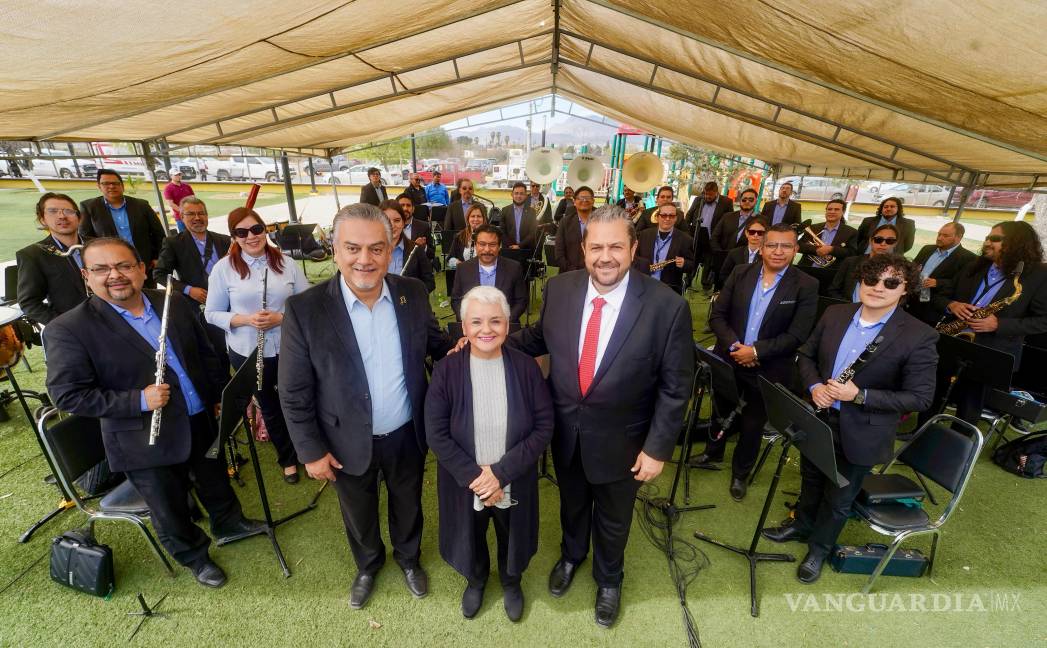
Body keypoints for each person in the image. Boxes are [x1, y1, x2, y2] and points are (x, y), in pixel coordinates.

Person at [510, 205, 693, 628]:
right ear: (583, 248)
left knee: (613, 518)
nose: (605, 257)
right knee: (572, 504)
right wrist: (486, 339)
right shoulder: (560, 289)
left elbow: (675, 386)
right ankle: (572, 556)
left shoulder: (667, 306)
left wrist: (657, 448)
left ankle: (609, 579)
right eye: (596, 247)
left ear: (633, 248)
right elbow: (538, 337)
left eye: (615, 246)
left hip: (624, 444)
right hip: (566, 434)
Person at [44, 237, 265, 588]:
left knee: (214, 477)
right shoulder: (68, 329)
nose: (114, 275)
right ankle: (195, 556)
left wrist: (215, 395)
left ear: (142, 268)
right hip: (141, 438)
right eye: (101, 269)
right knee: (169, 504)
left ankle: (229, 524)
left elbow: (204, 353)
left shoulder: (170, 302)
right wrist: (139, 400)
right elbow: (68, 395)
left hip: (198, 416)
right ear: (87, 276)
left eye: (123, 265)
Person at [279, 203, 452, 610]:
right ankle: (368, 565)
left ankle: (409, 559)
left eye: (377, 249)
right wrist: (310, 451)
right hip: (343, 440)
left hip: (407, 432)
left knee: (407, 502)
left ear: (391, 248)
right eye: (352, 248)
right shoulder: (305, 310)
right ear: (333, 250)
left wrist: (467, 345)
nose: (364, 259)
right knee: (358, 511)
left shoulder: (412, 292)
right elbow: (294, 391)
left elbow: (435, 344)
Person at [761, 254, 938, 584]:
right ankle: (801, 524)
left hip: (862, 431)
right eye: (871, 279)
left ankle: (819, 548)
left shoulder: (919, 335)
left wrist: (859, 395)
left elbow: (920, 397)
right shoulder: (836, 313)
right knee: (811, 478)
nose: (878, 288)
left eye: (890, 283)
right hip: (819, 416)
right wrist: (814, 386)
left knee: (839, 497)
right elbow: (807, 355)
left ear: (905, 289)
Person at [426, 286, 554, 621]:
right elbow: (436, 433)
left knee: (512, 532)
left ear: (507, 326)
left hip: (512, 476)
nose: (486, 329)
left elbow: (543, 426)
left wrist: (500, 474)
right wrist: (477, 477)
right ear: (463, 327)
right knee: (470, 532)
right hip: (464, 480)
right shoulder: (446, 371)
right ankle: (477, 579)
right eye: (477, 322)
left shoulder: (527, 368)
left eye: (495, 321)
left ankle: (512, 581)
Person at [690, 224, 818, 499]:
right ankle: (712, 453)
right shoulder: (740, 273)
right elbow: (718, 316)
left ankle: (740, 473)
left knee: (752, 424)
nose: (778, 251)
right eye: (772, 245)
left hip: (769, 369)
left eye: (786, 246)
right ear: (761, 248)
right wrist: (736, 347)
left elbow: (798, 334)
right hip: (731, 358)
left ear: (796, 250)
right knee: (720, 411)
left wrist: (756, 351)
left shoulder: (806, 285)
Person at [205, 208, 309, 484]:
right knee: (270, 405)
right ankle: (288, 458)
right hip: (248, 350)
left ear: (265, 230)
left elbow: (308, 302)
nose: (251, 236)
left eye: (256, 229)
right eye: (241, 232)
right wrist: (245, 320)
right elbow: (211, 313)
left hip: (288, 346)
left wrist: (282, 318)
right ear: (234, 237)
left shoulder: (286, 262)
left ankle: (308, 449)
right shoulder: (223, 270)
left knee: (298, 399)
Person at [928, 221, 1047, 425]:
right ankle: (921, 432)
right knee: (935, 391)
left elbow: (1043, 321)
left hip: (991, 350)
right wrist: (952, 305)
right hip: (953, 339)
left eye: (995, 239)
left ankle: (959, 446)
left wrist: (998, 324)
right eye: (987, 238)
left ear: (1017, 243)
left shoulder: (1038, 276)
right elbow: (939, 296)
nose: (987, 242)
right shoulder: (974, 266)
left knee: (970, 403)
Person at [79, 169, 166, 282]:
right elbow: (86, 237)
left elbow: (158, 233)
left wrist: (157, 257)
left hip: (143, 262)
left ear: (122, 186)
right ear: (99, 186)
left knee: (148, 293)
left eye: (115, 183)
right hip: (110, 265)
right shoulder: (89, 207)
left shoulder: (141, 205)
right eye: (106, 183)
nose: (111, 186)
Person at [16, 192, 88, 326]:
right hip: (75, 329)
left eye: (68, 211)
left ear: (79, 217)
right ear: (42, 219)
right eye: (52, 211)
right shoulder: (32, 254)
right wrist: (65, 325)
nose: (62, 216)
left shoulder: (100, 245)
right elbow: (29, 303)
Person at [154, 197, 230, 306]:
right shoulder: (174, 243)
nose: (197, 218)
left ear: (207, 216)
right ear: (181, 217)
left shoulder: (225, 240)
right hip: (199, 304)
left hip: (228, 298)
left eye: (201, 213)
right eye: (190, 214)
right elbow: (159, 274)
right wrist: (189, 290)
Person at [450, 225, 528, 322]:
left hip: (505, 327)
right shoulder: (463, 269)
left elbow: (521, 301)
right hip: (473, 327)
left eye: (492, 244)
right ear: (476, 245)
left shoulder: (514, 268)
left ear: (499, 246)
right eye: (482, 244)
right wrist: (470, 321)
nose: (487, 249)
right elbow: (456, 300)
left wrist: (504, 321)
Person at [908, 222, 977, 325]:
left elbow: (962, 285)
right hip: (911, 299)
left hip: (933, 308)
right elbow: (913, 267)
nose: (939, 238)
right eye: (939, 234)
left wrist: (938, 283)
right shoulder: (927, 249)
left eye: (945, 235)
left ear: (959, 237)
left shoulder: (968, 258)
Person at [796, 198, 860, 294]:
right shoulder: (813, 228)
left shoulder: (851, 232)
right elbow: (799, 246)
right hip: (807, 269)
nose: (832, 212)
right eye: (829, 209)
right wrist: (816, 250)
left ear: (843, 212)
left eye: (836, 209)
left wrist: (832, 249)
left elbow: (852, 253)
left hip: (831, 273)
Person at [634, 203, 695, 294]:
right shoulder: (644, 235)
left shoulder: (686, 239)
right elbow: (635, 258)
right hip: (644, 285)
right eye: (664, 215)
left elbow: (692, 265)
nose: (667, 218)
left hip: (669, 289)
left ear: (675, 218)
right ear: (657, 217)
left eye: (671, 216)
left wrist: (684, 264)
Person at [828, 224, 899, 301]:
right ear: (870, 240)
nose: (883, 244)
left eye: (890, 241)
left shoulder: (898, 269)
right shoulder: (851, 262)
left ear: (895, 244)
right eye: (878, 239)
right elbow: (833, 290)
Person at [684, 181, 733, 290]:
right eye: (705, 194)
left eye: (710, 195)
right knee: (693, 259)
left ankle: (706, 283)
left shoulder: (726, 202)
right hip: (697, 236)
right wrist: (688, 231)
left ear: (716, 192)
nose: (707, 197)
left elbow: (730, 220)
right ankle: (688, 281)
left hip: (713, 239)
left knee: (709, 262)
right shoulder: (698, 200)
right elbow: (689, 215)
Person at [381, 199, 435, 293]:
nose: (392, 225)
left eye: (397, 220)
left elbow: (430, 283)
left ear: (403, 222)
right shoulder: (371, 251)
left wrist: (412, 296)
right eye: (386, 220)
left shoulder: (416, 249)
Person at [709, 188, 759, 288]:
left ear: (756, 201)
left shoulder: (761, 220)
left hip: (745, 264)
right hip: (723, 261)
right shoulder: (727, 216)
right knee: (720, 291)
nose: (747, 202)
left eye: (751, 199)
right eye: (744, 199)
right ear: (740, 200)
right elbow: (714, 237)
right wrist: (719, 254)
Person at [715, 216, 766, 292]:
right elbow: (724, 275)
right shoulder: (734, 253)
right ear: (746, 233)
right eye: (752, 232)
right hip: (735, 291)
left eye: (760, 233)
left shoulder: (768, 255)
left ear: (765, 235)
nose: (755, 235)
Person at [553, 185, 595, 273]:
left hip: (595, 273)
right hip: (569, 273)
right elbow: (559, 252)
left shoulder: (602, 222)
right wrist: (571, 271)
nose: (584, 200)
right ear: (574, 202)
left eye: (587, 197)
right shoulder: (565, 223)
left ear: (593, 201)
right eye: (580, 198)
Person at [396, 192, 434, 263]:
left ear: (413, 209)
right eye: (402, 205)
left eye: (408, 205)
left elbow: (431, 254)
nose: (405, 208)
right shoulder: (390, 226)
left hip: (415, 271)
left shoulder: (424, 227)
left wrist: (424, 247)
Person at [501, 182, 540, 250]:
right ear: (512, 194)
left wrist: (519, 246)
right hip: (509, 249)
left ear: (525, 195)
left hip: (526, 249)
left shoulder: (532, 212)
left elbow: (532, 233)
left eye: (521, 194)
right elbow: (502, 231)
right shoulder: (504, 210)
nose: (519, 196)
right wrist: (511, 245)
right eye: (516, 193)